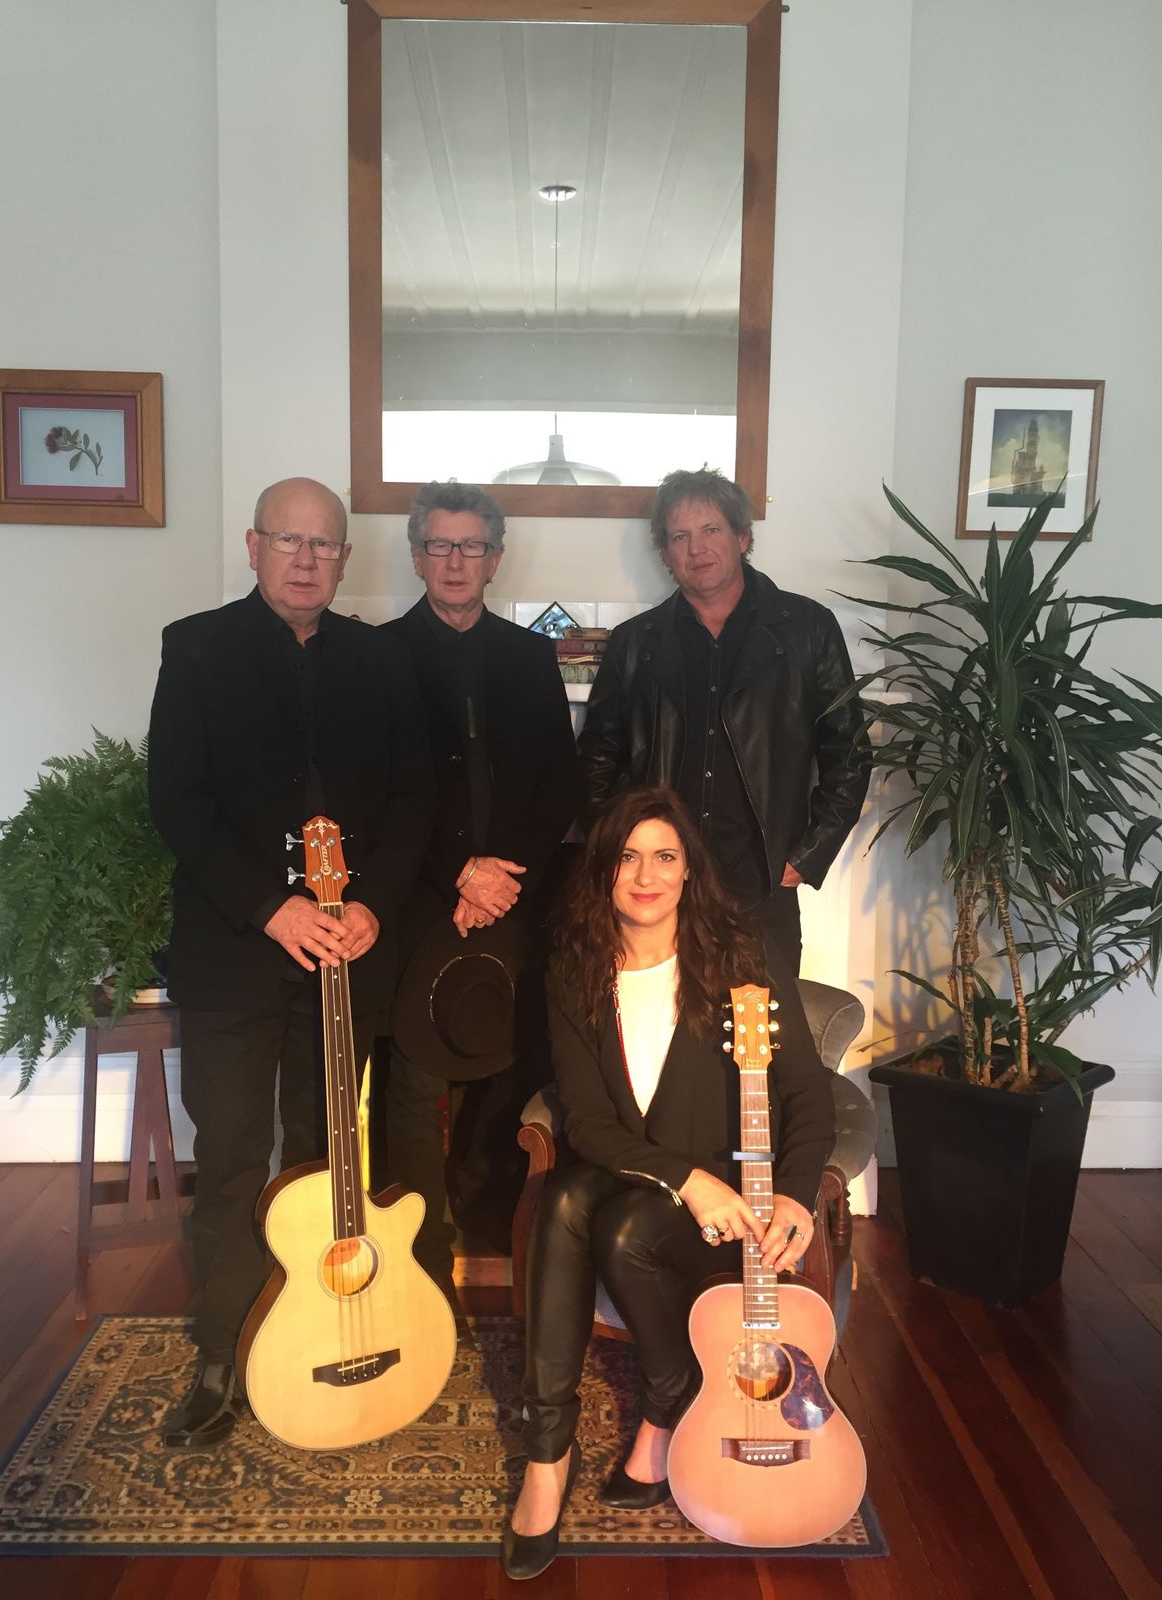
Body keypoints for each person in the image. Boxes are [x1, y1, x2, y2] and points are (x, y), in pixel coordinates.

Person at [147, 476, 433, 1449]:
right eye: (288, 541)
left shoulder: (382, 660)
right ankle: (221, 1353)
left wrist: (372, 904)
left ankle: (315, 1322)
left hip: (345, 957)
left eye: (324, 545)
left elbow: (414, 800)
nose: (307, 559)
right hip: (234, 952)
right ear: (254, 545)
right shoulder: (196, 647)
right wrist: (272, 909)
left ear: (344, 558)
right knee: (233, 1154)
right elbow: (178, 801)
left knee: (326, 1155)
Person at [503, 785, 835, 1580]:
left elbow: (805, 1092)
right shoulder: (574, 969)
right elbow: (588, 1122)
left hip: (728, 1197)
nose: (645, 875)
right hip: (643, 1175)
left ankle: (666, 1401)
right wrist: (684, 1179)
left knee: (615, 1225)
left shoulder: (740, 955)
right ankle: (548, 1454)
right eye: (626, 857)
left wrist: (793, 1192)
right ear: (603, 871)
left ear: (689, 870)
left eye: (664, 856)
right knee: (565, 1196)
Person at [380, 480, 580, 1291]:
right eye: (440, 545)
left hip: (514, 895)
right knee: (415, 1071)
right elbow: (379, 791)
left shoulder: (530, 656)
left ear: (495, 559)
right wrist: (459, 871)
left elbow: (560, 785)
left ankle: (492, 1223)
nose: (455, 561)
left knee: (503, 1059)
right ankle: (416, 1250)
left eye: (471, 546)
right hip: (418, 894)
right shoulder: (378, 656)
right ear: (416, 555)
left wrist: (499, 877)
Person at [578, 468, 870, 975]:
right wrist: (620, 856)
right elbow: (596, 758)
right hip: (659, 885)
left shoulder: (807, 629)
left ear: (742, 537)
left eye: (711, 529)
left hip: (762, 882)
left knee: (764, 1019)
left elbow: (848, 750)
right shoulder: (635, 642)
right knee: (658, 1015)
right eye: (680, 537)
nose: (697, 548)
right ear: (665, 554)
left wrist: (806, 855)